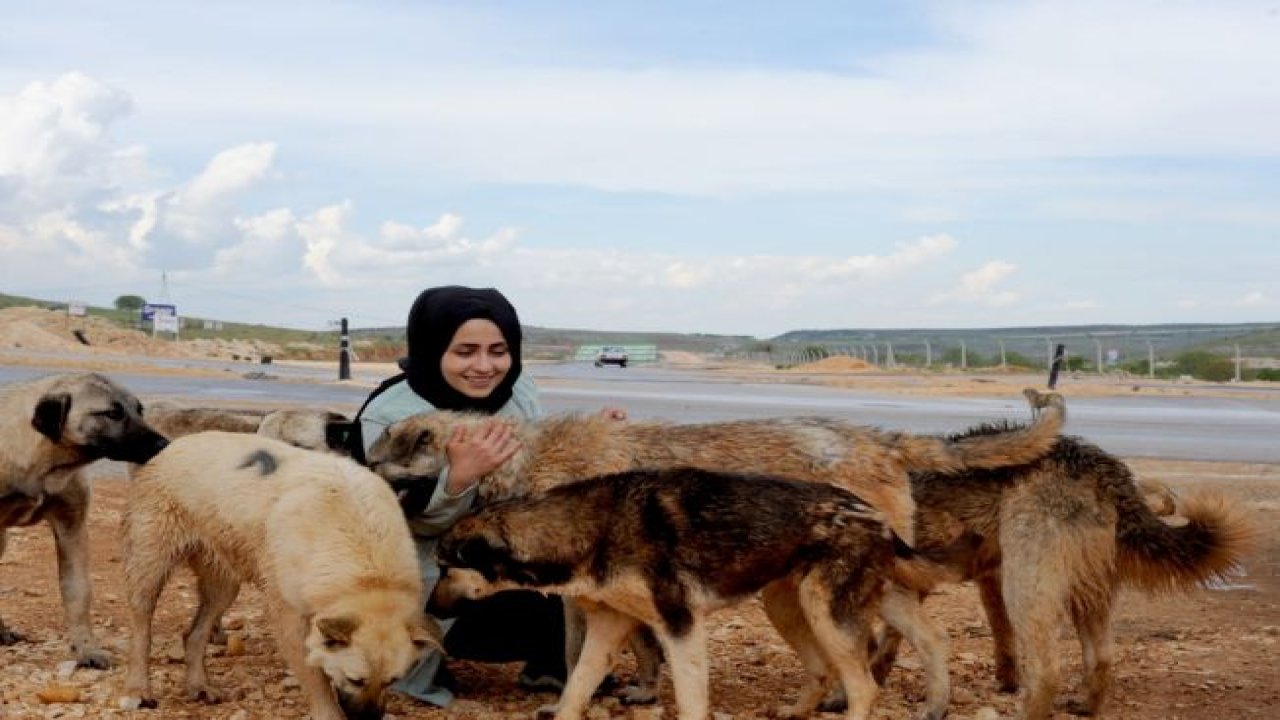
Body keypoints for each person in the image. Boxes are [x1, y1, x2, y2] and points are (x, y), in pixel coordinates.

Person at [351, 285, 621, 707]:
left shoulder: (520, 393)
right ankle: (420, 656)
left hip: (496, 552)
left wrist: (595, 442)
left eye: (498, 351)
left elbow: (540, 470)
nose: (484, 366)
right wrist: (457, 480)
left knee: (586, 579)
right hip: (422, 573)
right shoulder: (388, 418)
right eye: (465, 351)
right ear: (432, 347)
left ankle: (550, 665)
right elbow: (384, 526)